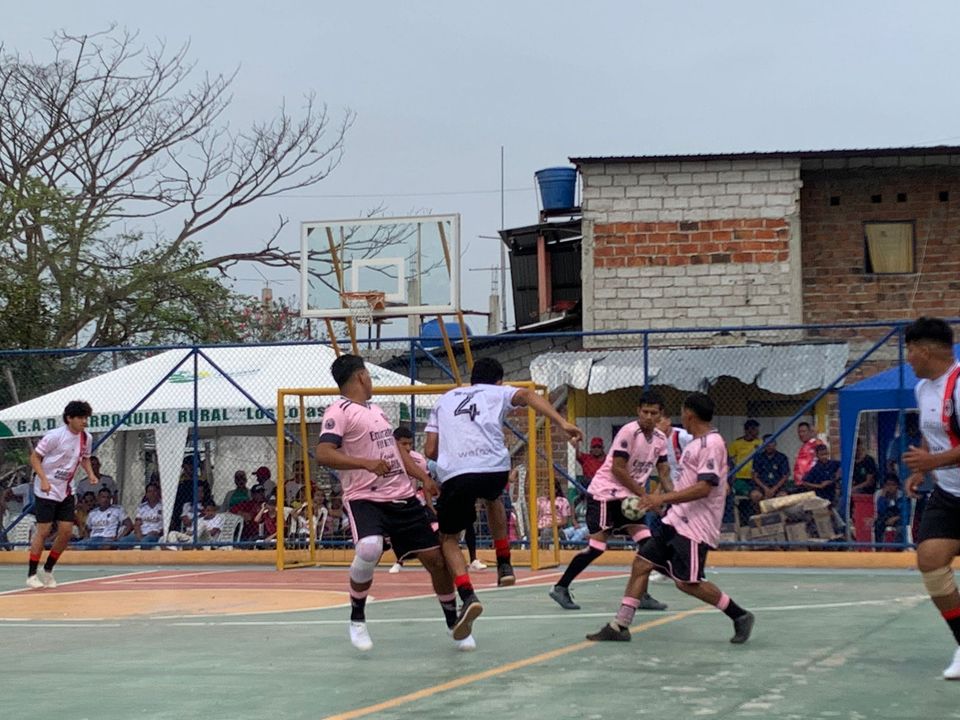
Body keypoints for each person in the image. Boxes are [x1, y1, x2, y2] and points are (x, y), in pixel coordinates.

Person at [314, 354, 468, 652]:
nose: (371, 381)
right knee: (369, 547)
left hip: (402, 496)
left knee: (436, 560)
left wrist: (423, 478)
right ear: (361, 376)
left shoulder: (377, 411)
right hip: (365, 496)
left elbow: (397, 454)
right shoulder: (338, 411)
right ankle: (357, 619)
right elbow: (323, 453)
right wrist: (366, 463)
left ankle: (454, 623)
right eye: (369, 376)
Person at [425, 357, 583, 639]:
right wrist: (562, 422)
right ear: (499, 381)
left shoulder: (444, 399)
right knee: (494, 497)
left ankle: (467, 594)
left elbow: (430, 450)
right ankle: (504, 562)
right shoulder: (498, 392)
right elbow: (528, 396)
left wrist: (453, 455)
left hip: (458, 473)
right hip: (494, 467)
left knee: (448, 539)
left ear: (472, 378)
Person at [587, 392, 755, 644]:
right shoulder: (694, 443)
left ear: (689, 414)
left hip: (695, 527)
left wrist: (662, 499)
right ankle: (620, 625)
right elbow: (676, 479)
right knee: (642, 564)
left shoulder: (711, 444)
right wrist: (662, 501)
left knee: (687, 583)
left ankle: (739, 615)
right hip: (675, 520)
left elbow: (704, 487)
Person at [549, 391, 669, 611]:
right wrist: (645, 495)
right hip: (606, 494)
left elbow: (663, 470)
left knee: (647, 545)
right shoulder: (629, 432)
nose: (649, 416)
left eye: (654, 413)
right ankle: (560, 587)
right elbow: (617, 469)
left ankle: (640, 594)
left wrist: (669, 496)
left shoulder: (660, 439)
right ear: (638, 411)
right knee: (597, 547)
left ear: (661, 414)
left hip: (630, 498)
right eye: (645, 412)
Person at [901, 317, 960, 678]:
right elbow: (932, 429)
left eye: (909, 350)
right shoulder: (923, 388)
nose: (907, 358)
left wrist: (933, 461)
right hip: (950, 493)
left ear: (924, 350)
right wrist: (922, 469)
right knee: (930, 559)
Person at [26, 400, 97, 589]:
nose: (84, 421)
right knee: (44, 531)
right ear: (69, 418)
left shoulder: (86, 438)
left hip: (66, 489)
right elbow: (35, 457)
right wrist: (43, 479)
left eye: (86, 418)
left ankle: (48, 569)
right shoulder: (55, 436)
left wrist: (91, 474)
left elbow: (85, 458)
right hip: (46, 488)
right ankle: (31, 574)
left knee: (66, 531)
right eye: (81, 418)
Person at [123, 482, 164, 547]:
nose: (152, 493)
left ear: (158, 492)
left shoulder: (163, 506)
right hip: (141, 533)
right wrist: (140, 536)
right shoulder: (142, 507)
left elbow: (168, 524)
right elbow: (137, 524)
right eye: (149, 491)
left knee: (145, 542)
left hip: (154, 534)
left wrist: (159, 532)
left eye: (154, 491)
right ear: (146, 494)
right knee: (123, 541)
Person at [728, 419, 762, 498]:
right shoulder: (737, 443)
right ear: (748, 430)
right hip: (740, 476)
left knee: (757, 494)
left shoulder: (760, 442)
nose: (758, 432)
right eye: (755, 430)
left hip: (755, 476)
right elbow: (729, 458)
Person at [751, 435, 790, 499]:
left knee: (783, 496)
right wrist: (766, 489)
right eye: (766, 443)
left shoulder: (782, 457)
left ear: (775, 444)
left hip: (778, 487)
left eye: (771, 442)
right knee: (755, 495)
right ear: (763, 445)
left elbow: (785, 476)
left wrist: (773, 489)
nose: (769, 445)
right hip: (761, 487)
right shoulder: (758, 458)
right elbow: (755, 476)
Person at [874, 474, 906, 545]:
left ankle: (898, 547)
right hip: (884, 517)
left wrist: (895, 518)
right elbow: (880, 510)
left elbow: (904, 512)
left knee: (901, 528)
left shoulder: (901, 495)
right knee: (878, 524)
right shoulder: (879, 494)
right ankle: (879, 547)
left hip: (898, 518)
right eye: (888, 485)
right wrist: (883, 495)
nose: (890, 487)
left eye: (893, 485)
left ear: (897, 486)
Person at [792, 422, 820, 491]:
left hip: (810, 483)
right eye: (799, 432)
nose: (801, 434)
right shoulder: (805, 446)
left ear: (810, 432)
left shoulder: (816, 443)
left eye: (804, 431)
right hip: (801, 483)